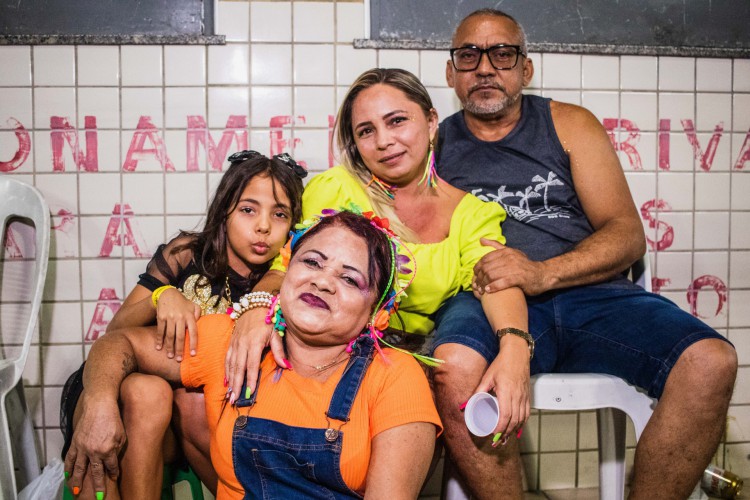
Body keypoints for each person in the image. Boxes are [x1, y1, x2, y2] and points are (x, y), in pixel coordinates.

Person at [432, 8, 738, 499]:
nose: (485, 68)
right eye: (469, 56)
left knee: (710, 362)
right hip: (485, 298)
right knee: (453, 369)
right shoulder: (434, 142)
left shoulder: (569, 124)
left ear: (525, 69)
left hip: (590, 295)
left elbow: (626, 234)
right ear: (451, 72)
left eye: (502, 54)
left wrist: (543, 273)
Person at [225, 68, 534, 453]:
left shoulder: (473, 215)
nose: (384, 142)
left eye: (397, 121)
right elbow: (286, 267)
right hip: (320, 353)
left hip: (405, 362)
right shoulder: (336, 188)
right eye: (366, 131)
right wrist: (257, 310)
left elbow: (497, 282)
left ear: (432, 121)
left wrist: (515, 349)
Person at [65, 210, 443, 499]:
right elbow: (118, 344)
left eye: (349, 279)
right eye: (311, 262)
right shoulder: (230, 343)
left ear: (376, 313)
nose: (323, 280)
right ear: (287, 272)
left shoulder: (395, 376)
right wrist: (98, 401)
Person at [61, 151, 305, 499]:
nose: (263, 226)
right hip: (126, 393)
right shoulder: (188, 253)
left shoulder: (286, 278)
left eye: (279, 214)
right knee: (145, 391)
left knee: (175, 397)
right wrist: (161, 296)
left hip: (191, 421)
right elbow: (115, 333)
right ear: (224, 212)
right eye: (248, 209)